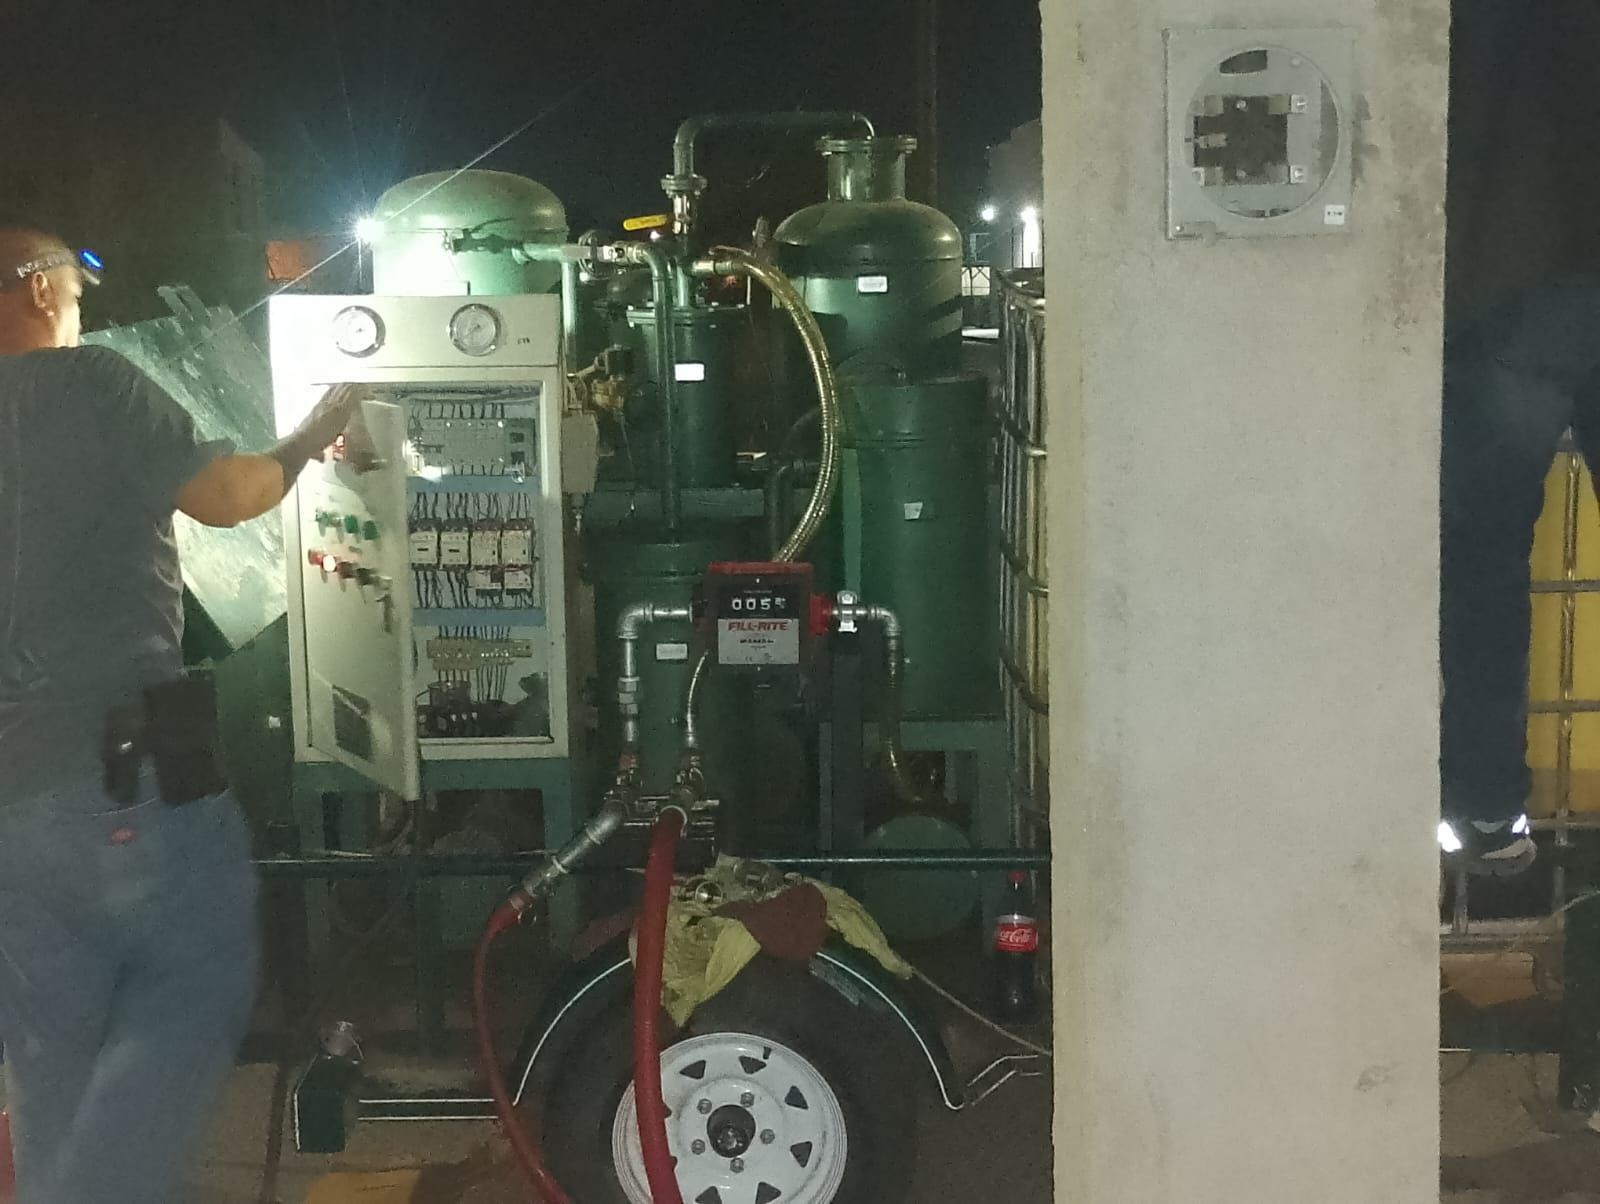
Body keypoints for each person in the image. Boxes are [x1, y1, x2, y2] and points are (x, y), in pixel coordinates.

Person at [0, 220, 362, 1203]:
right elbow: (230, 496)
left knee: (47, 1039)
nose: (84, 309)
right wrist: (314, 433)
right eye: (77, 289)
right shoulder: (95, 384)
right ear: (38, 288)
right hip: (106, 769)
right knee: (192, 982)